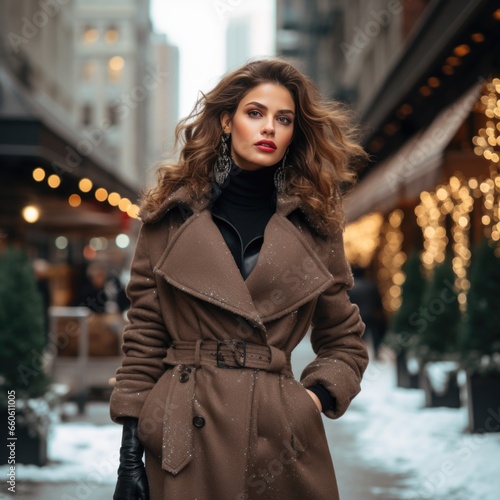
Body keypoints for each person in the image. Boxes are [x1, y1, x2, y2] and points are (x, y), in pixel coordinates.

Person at [110, 58, 369, 500]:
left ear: (293, 134)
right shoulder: (168, 219)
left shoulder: (316, 228)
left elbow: (345, 341)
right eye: (255, 113)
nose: (269, 127)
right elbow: (145, 343)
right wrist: (129, 457)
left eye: (283, 119)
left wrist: (309, 402)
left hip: (280, 439)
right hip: (183, 438)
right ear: (227, 121)